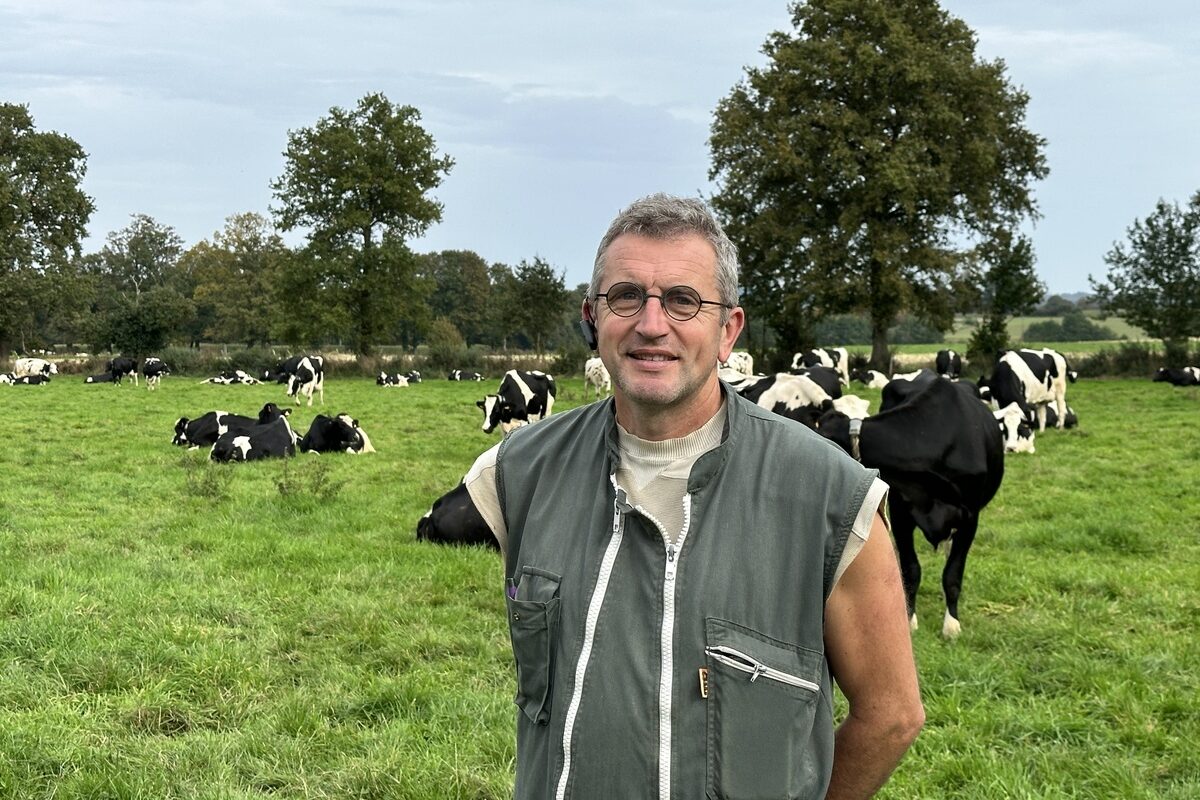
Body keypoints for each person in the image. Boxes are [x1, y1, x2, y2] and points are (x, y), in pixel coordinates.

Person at [463, 193, 923, 799]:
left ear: (728, 329)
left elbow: (892, 715)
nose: (652, 324)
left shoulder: (832, 497)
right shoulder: (516, 473)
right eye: (626, 296)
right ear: (592, 317)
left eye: (683, 300)